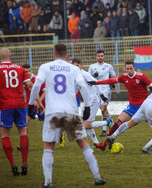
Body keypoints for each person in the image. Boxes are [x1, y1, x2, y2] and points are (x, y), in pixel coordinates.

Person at [28, 44, 106, 187]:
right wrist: (87, 106)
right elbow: (83, 86)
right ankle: (97, 177)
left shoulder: (45, 66)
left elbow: (37, 83)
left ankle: (48, 182)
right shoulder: (74, 68)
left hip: (52, 112)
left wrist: (30, 103)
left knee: (49, 146)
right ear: (67, 56)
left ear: (53, 55)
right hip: (70, 111)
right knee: (84, 144)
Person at [88, 60, 152, 151]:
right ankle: (104, 145)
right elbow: (112, 80)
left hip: (145, 106)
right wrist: (96, 82)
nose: (129, 70)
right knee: (118, 122)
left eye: (130, 68)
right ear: (125, 68)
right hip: (132, 106)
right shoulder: (124, 77)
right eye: (127, 69)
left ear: (134, 68)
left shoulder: (141, 76)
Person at [0, 48, 33, 176]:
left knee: (5, 134)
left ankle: (12, 164)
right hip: (20, 104)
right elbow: (29, 85)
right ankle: (24, 162)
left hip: (5, 105)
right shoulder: (19, 68)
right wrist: (36, 100)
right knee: (23, 131)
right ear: (10, 56)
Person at [72, 58, 113, 144]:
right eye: (74, 66)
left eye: (77, 65)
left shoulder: (85, 74)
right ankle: (96, 143)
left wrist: (101, 95)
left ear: (81, 66)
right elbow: (76, 89)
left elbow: (96, 82)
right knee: (84, 124)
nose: (75, 67)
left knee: (86, 125)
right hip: (87, 103)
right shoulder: (75, 76)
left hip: (93, 101)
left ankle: (107, 122)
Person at [88, 50, 116, 137]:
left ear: (104, 57)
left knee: (103, 109)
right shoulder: (92, 67)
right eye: (98, 56)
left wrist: (113, 83)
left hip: (105, 89)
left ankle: (104, 130)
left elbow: (114, 76)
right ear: (96, 57)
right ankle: (111, 122)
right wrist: (93, 76)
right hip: (95, 90)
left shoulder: (108, 66)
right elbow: (88, 78)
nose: (100, 57)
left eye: (102, 56)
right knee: (102, 109)